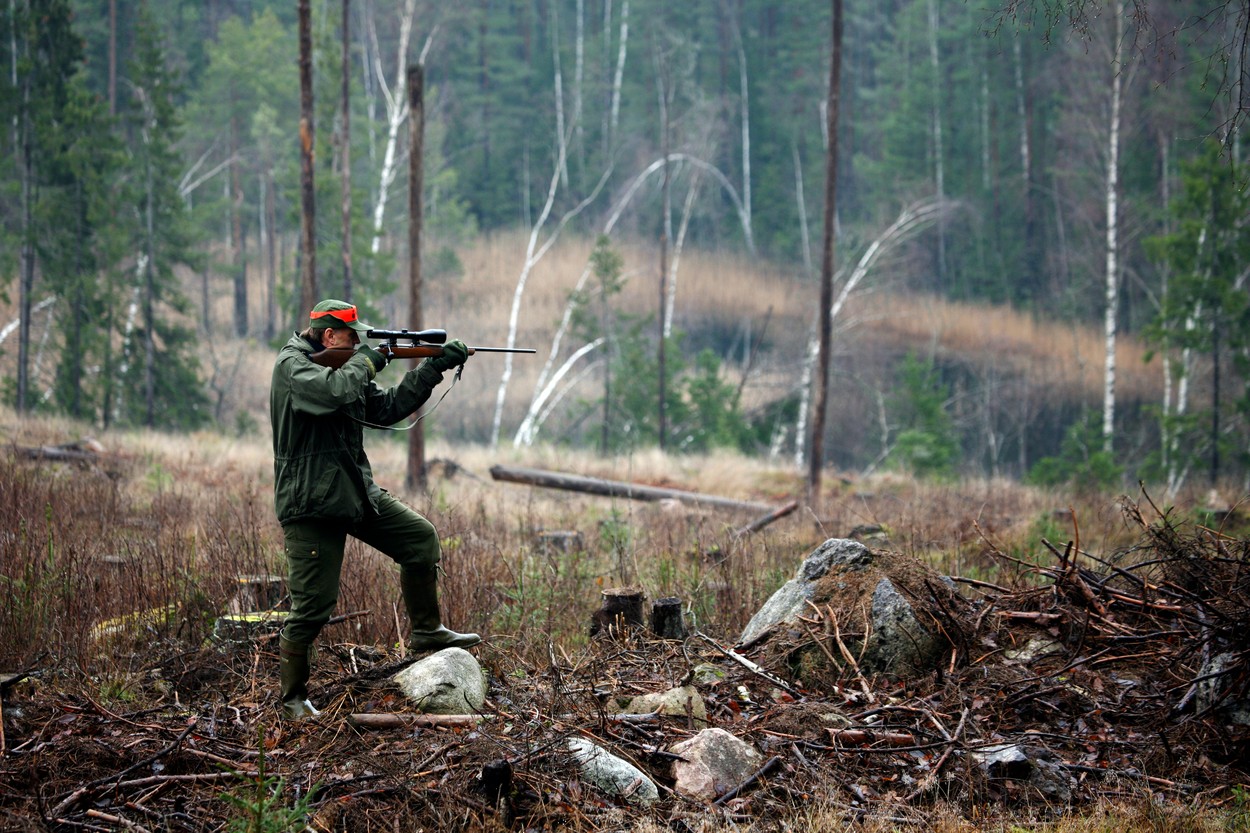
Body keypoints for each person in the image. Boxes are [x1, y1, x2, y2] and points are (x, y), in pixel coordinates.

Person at [270, 299, 480, 720]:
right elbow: (336, 391)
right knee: (312, 607)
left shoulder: (345, 368)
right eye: (352, 337)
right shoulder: (292, 368)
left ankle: (425, 631)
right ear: (329, 336)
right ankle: (292, 698)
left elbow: (385, 408)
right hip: (311, 501)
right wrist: (370, 359)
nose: (359, 343)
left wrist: (431, 368)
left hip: (351, 490)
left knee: (419, 539)